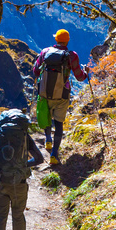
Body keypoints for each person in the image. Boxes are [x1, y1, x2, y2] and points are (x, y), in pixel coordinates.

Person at [0, 109, 44, 230]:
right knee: (18, 215)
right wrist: (21, 166)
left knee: (0, 218)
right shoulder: (24, 136)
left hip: (0, 182)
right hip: (18, 183)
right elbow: (39, 159)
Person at [33, 29, 89, 165]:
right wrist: (86, 72)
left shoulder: (45, 52)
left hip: (44, 92)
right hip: (62, 94)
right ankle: (54, 154)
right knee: (58, 123)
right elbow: (79, 77)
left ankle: (47, 140)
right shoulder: (72, 56)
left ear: (56, 40)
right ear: (67, 40)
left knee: (46, 116)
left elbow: (35, 71)